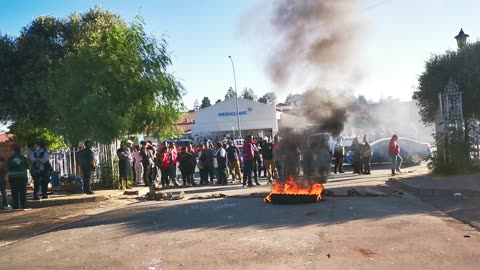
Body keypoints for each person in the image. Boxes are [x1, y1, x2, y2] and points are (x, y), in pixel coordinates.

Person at [5, 145, 31, 209]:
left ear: (13, 151)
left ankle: (15, 205)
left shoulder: (10, 158)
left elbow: (6, 168)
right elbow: (28, 166)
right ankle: (24, 205)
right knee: (23, 191)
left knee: (14, 192)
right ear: (20, 151)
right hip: (22, 176)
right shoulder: (23, 158)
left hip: (13, 176)